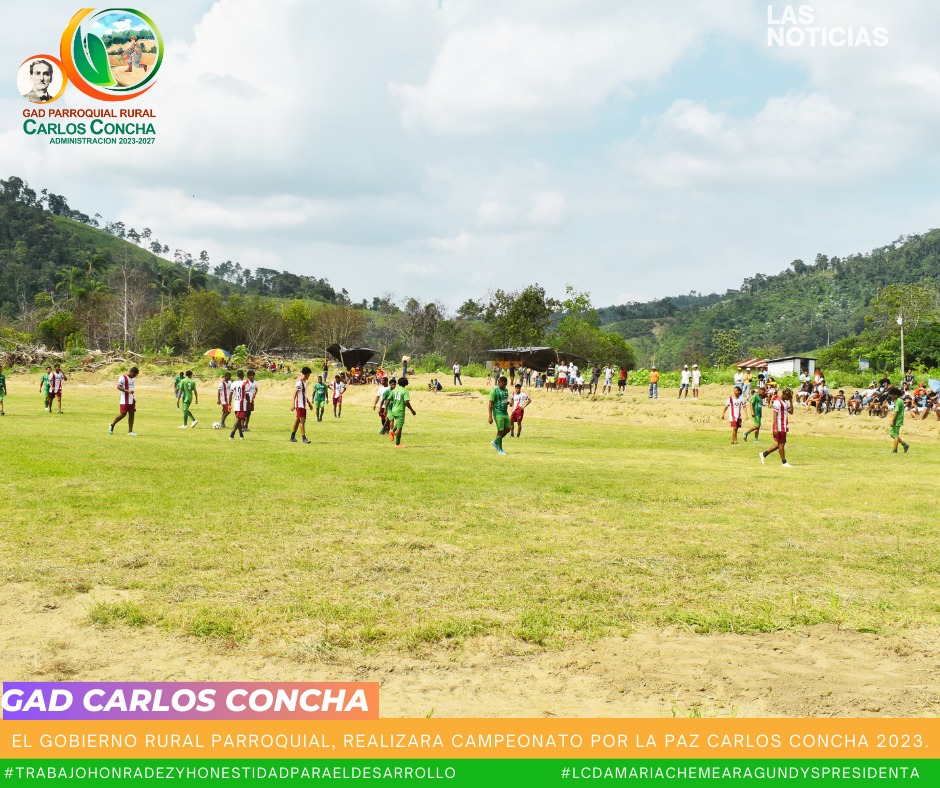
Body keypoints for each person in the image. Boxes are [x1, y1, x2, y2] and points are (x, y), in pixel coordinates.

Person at [759, 387, 794, 467]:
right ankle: (784, 462)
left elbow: (791, 412)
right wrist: (775, 428)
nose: (789, 398)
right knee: (781, 444)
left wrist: (791, 402)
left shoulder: (785, 402)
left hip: (784, 425)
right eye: (788, 396)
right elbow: (774, 416)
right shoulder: (777, 402)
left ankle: (764, 454)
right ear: (784, 394)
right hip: (779, 425)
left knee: (781, 443)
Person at [109, 367, 139, 436]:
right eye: (134, 374)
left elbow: (131, 389)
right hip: (124, 400)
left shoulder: (132, 379)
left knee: (132, 414)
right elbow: (118, 387)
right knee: (123, 414)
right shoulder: (123, 377)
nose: (135, 376)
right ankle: (112, 424)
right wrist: (127, 391)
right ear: (131, 372)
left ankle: (130, 432)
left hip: (131, 400)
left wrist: (133, 398)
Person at [388, 377, 416, 447]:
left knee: (398, 424)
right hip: (400, 411)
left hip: (393, 410)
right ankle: (397, 444)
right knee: (399, 428)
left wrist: (387, 409)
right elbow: (406, 402)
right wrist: (412, 410)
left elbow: (388, 399)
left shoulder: (394, 390)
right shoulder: (405, 391)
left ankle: (392, 431)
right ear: (406, 383)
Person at [487, 375, 511, 455]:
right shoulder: (494, 391)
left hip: (505, 412)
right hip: (497, 412)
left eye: (505, 384)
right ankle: (500, 449)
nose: (504, 386)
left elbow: (503, 400)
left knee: (508, 428)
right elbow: (490, 404)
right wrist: (490, 416)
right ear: (499, 382)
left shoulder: (506, 390)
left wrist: (508, 403)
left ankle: (495, 442)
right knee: (500, 430)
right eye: (503, 384)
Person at [290, 367, 313, 444]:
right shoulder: (299, 383)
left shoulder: (304, 383)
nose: (309, 376)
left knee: (297, 421)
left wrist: (309, 403)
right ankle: (304, 438)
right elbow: (294, 393)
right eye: (309, 374)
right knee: (302, 421)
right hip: (300, 405)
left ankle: (292, 437)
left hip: (303, 405)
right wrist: (293, 404)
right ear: (306, 374)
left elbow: (304, 395)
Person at [887, 387, 910, 454]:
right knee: (892, 434)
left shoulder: (898, 401)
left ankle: (895, 450)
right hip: (897, 420)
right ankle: (904, 444)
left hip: (897, 420)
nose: (891, 396)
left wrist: (892, 420)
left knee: (895, 435)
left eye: (892, 395)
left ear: (896, 395)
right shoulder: (899, 400)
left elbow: (896, 412)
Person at [229, 370, 248, 440]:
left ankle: (241, 435)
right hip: (242, 403)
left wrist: (229, 404)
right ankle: (232, 434)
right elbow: (247, 394)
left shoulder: (233, 383)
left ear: (237, 375)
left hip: (236, 403)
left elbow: (230, 394)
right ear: (243, 375)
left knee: (238, 419)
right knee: (239, 419)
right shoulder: (245, 383)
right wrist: (249, 401)